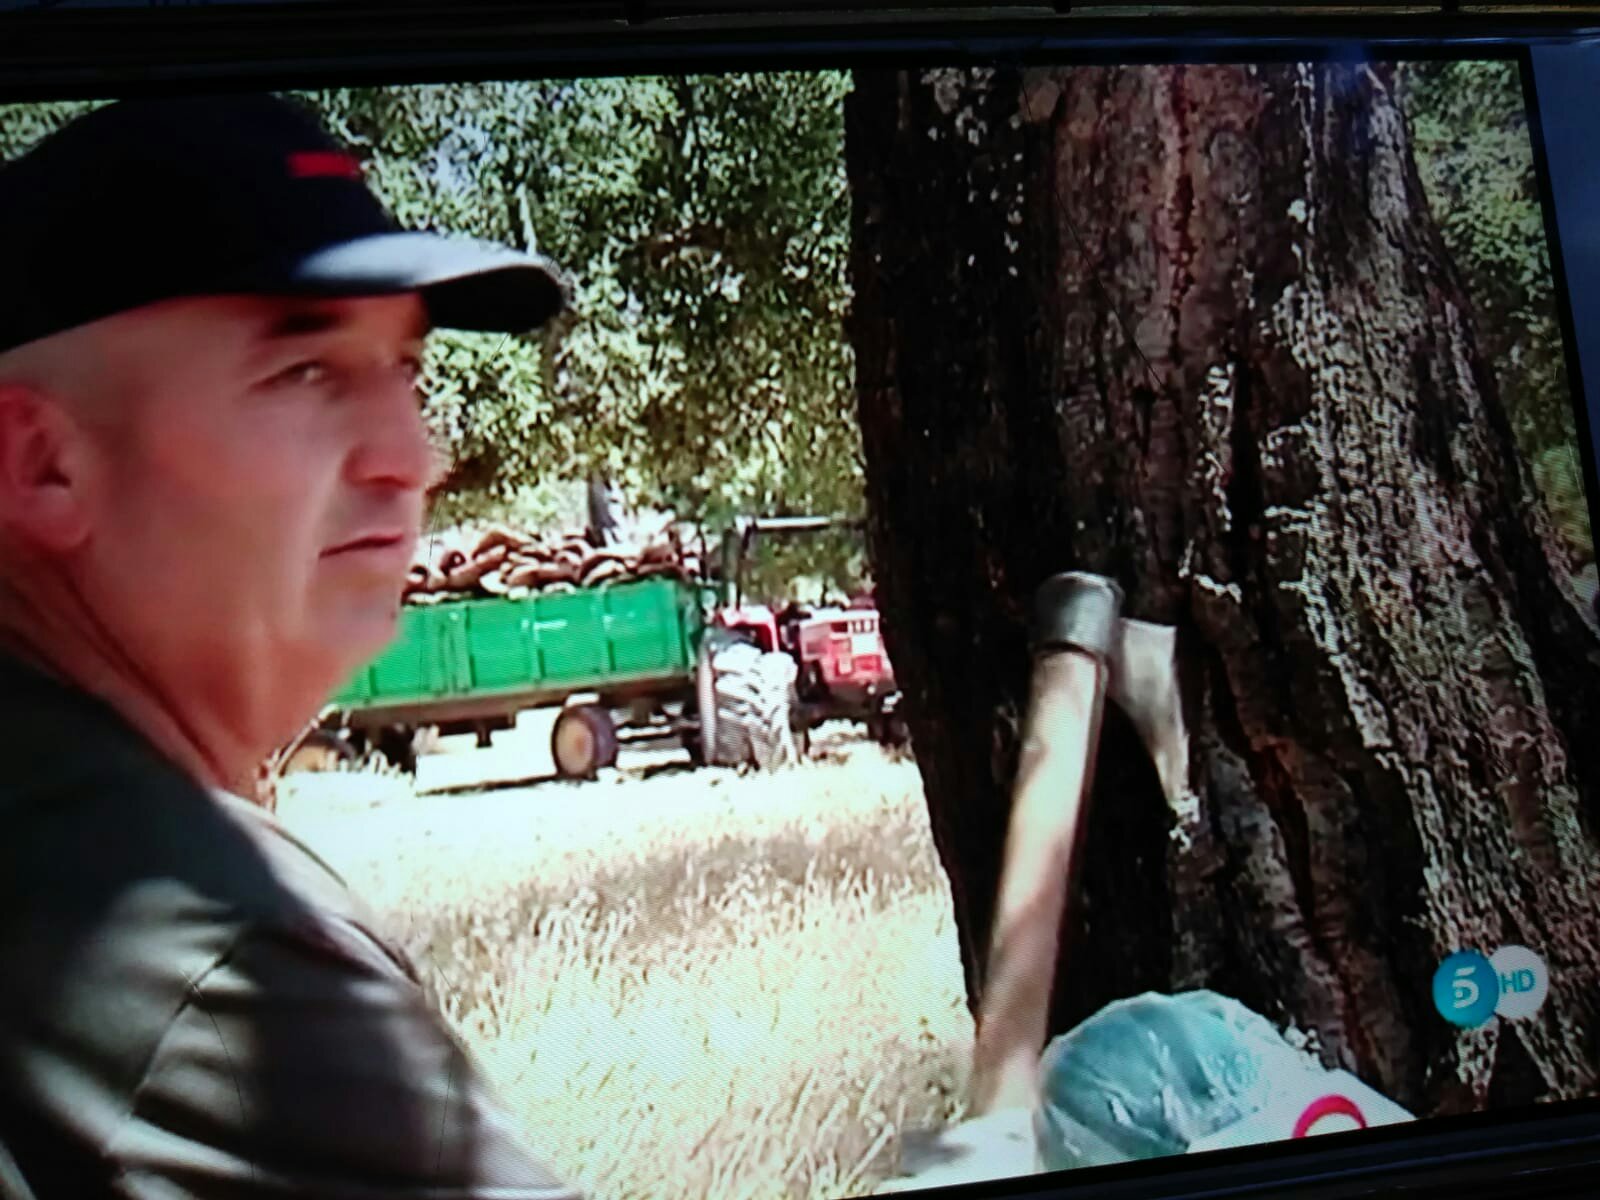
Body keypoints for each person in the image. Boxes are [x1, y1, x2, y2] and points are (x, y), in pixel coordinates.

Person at [0, 95, 581, 1198]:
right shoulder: (205, 951)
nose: (413, 458)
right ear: (39, 463)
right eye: (304, 372)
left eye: (406, 372)